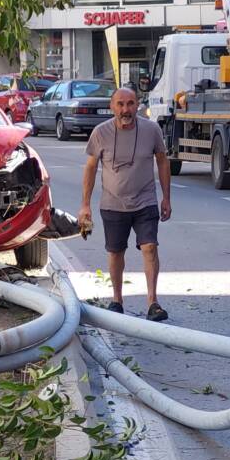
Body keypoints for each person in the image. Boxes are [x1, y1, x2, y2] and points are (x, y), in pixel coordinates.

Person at [79, 87, 172, 322]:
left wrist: (166, 197)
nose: (125, 109)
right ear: (112, 107)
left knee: (150, 247)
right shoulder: (101, 133)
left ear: (137, 105)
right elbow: (90, 167)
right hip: (112, 203)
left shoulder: (151, 130)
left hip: (146, 200)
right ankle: (117, 300)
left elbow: (162, 161)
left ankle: (153, 302)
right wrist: (85, 205)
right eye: (120, 104)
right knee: (115, 252)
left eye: (130, 104)